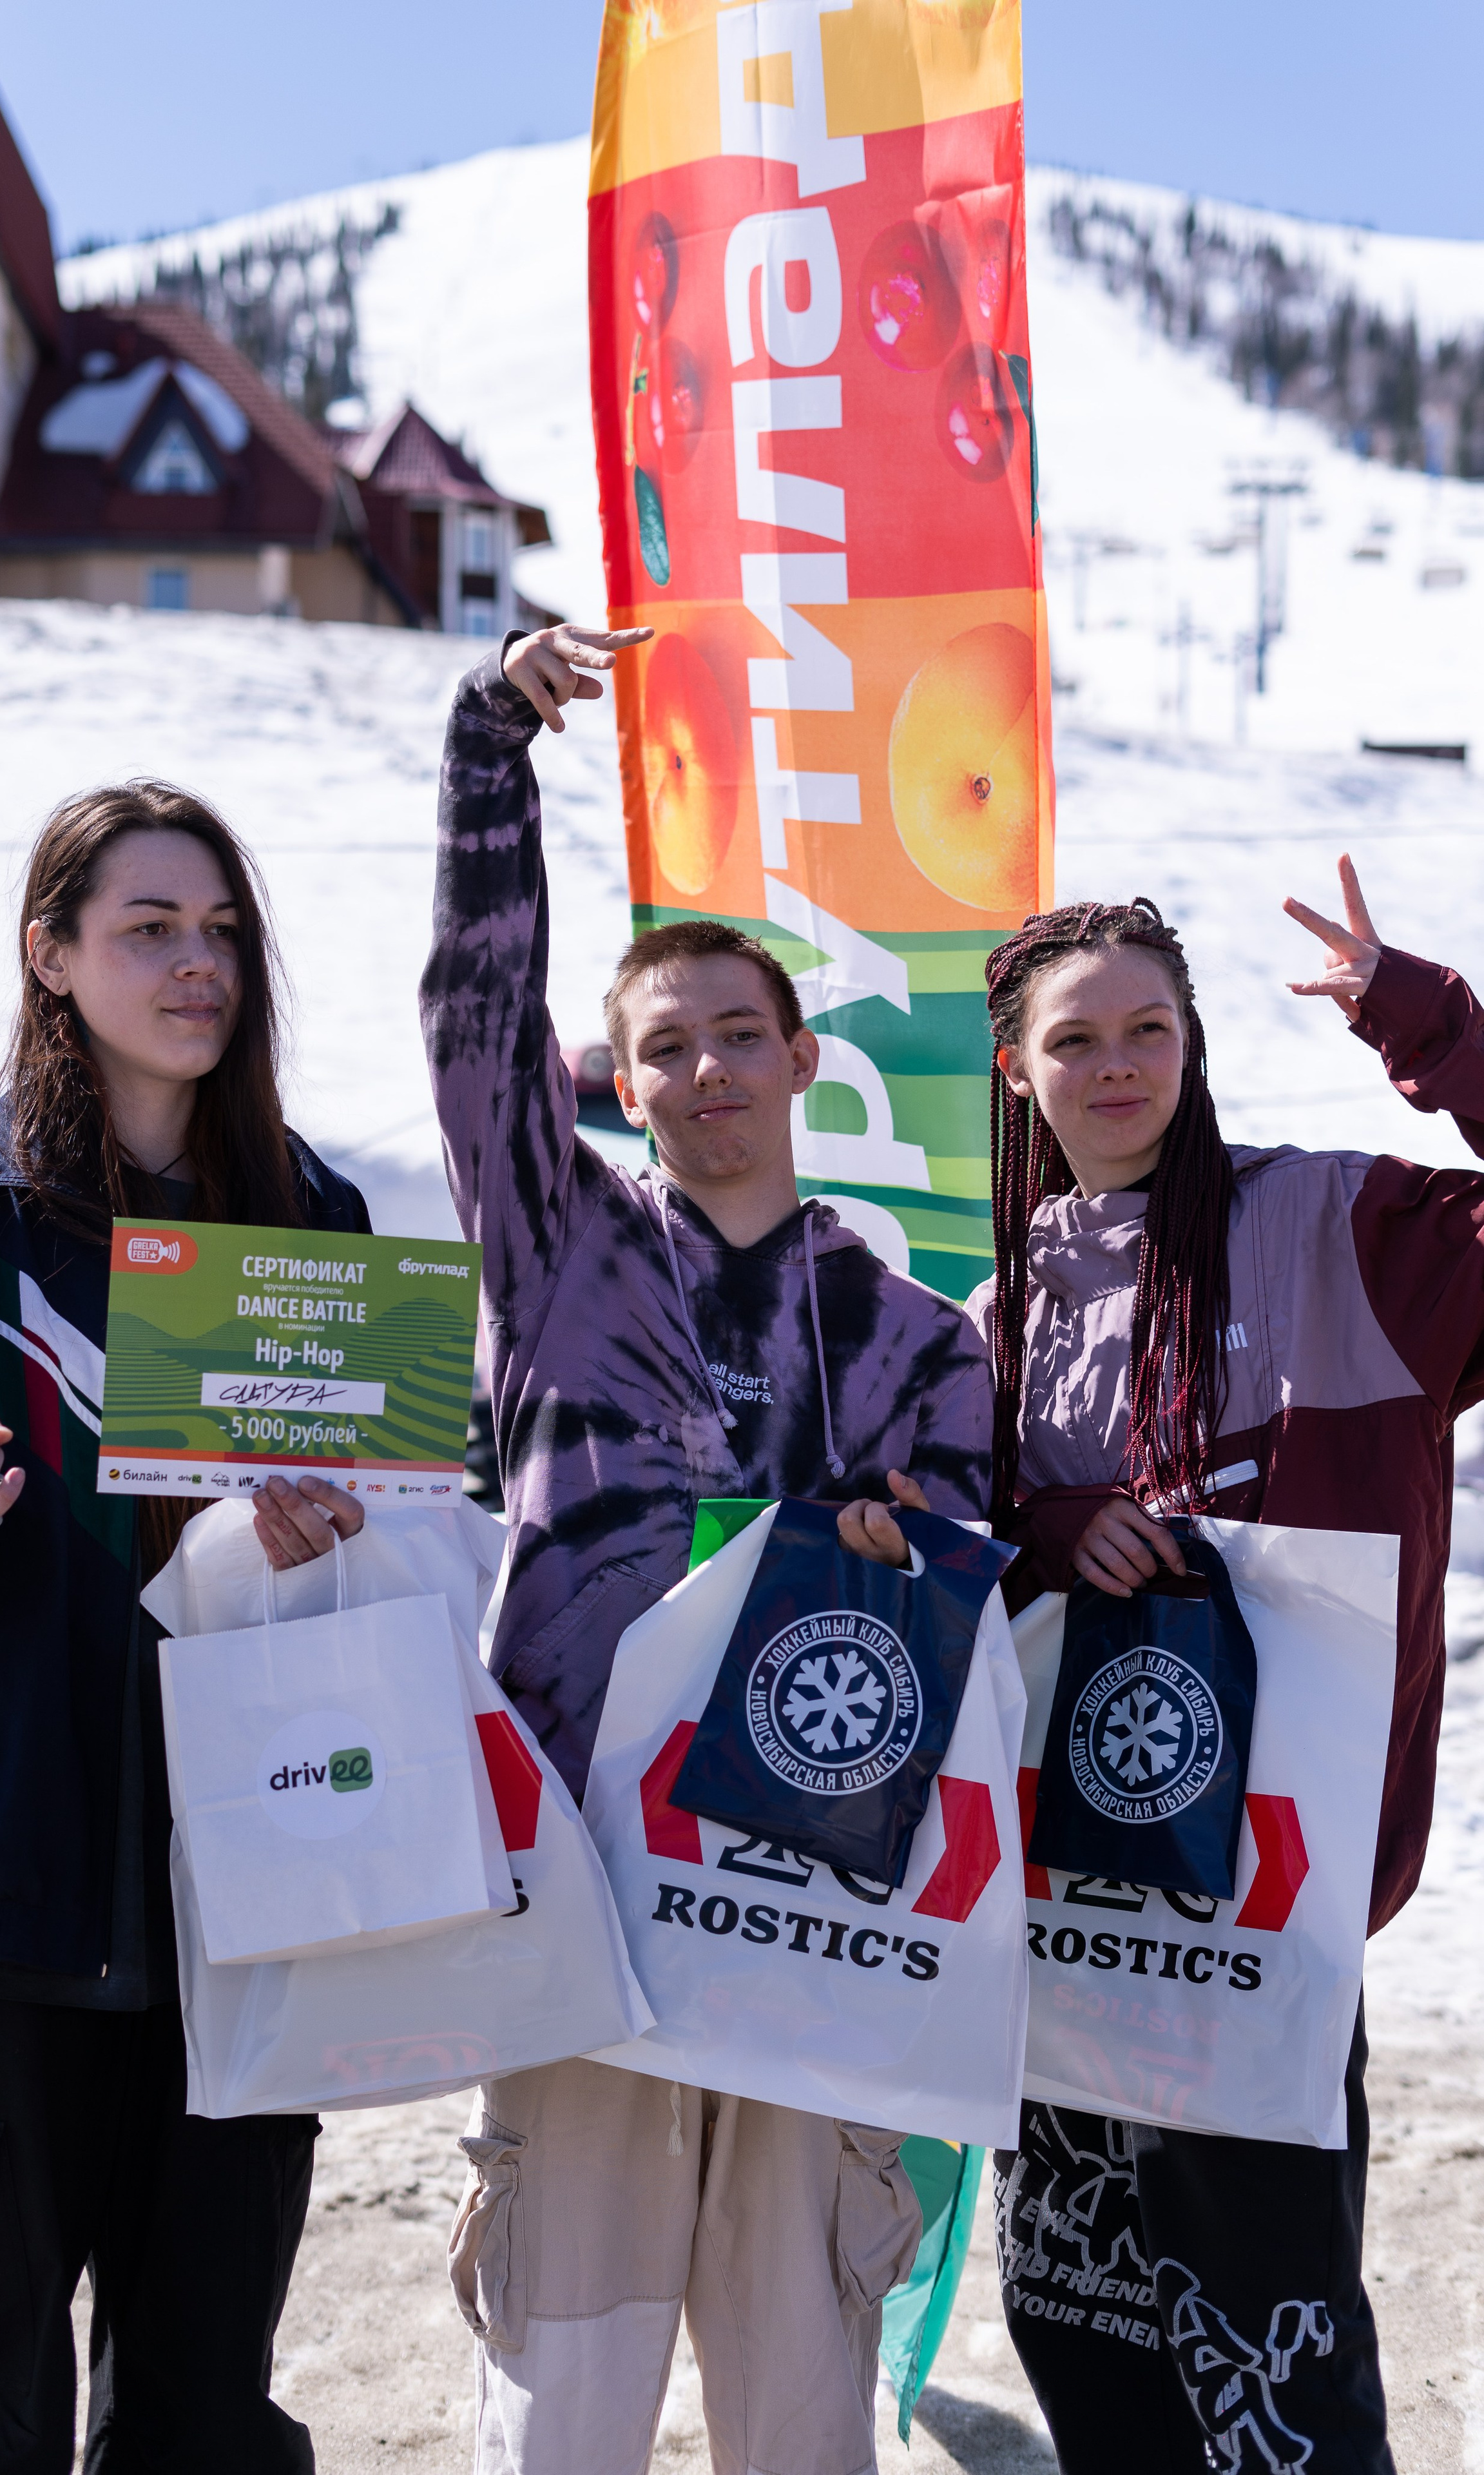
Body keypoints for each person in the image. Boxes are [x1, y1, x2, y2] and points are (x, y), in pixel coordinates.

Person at [419, 623, 994, 2475]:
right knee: (563, 2402)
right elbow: (476, 1022)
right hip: (579, 1885)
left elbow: (967, 1583)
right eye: (664, 1048)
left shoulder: (915, 1334)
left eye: (739, 1034)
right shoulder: (563, 1258)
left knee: (798, 2396)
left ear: (804, 1054)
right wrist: (490, 749)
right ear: (623, 1078)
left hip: (807, 1905)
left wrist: (904, 1537)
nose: (707, 1071)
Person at [0, 781, 369, 2474]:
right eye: (148, 928)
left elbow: (384, 1527)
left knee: (203, 2416)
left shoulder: (314, 1224)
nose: (197, 963)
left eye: (219, 931)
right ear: (49, 958)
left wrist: (326, 1526)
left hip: (245, 1888)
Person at [970, 862, 1484, 2474]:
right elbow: (926, 1556)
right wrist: (1044, 1517)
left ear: (1192, 1046)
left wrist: (1425, 1022)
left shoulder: (1341, 1227)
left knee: (1272, 2338)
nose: (1115, 1065)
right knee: (1081, 2312)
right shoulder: (991, 1317)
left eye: (1149, 1029)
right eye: (1075, 1040)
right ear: (1015, 1071)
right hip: (1059, 1906)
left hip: (1266, 1909)